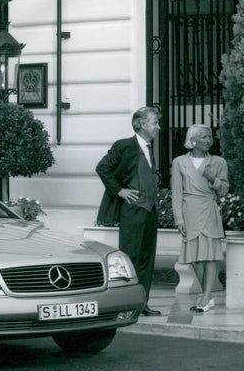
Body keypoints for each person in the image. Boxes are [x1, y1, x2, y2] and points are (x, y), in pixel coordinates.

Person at [96, 106, 162, 315]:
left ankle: (142, 303)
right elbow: (102, 167)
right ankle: (125, 305)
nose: (158, 127)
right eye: (154, 123)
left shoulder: (149, 148)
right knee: (130, 258)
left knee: (146, 259)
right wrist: (119, 191)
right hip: (133, 211)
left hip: (149, 210)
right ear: (141, 124)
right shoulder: (125, 145)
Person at [171, 125, 229, 313]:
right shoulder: (179, 162)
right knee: (194, 259)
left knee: (210, 257)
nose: (208, 140)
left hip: (209, 209)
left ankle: (205, 297)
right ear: (193, 140)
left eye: (210, 136)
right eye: (204, 137)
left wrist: (213, 179)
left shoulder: (218, 162)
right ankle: (208, 295)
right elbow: (176, 193)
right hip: (189, 212)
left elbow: (224, 190)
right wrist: (178, 218)